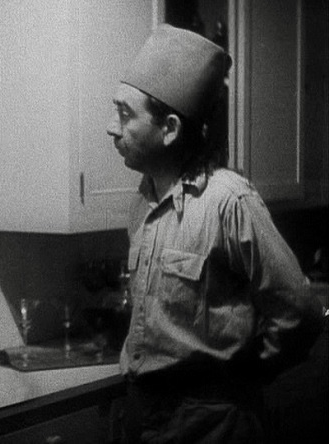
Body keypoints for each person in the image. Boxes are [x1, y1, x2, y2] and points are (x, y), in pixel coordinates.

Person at [106, 25, 324, 443]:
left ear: (170, 128)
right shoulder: (143, 201)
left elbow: (301, 312)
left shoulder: (229, 201)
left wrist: (244, 374)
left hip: (211, 425)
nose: (111, 128)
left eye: (126, 114)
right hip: (144, 414)